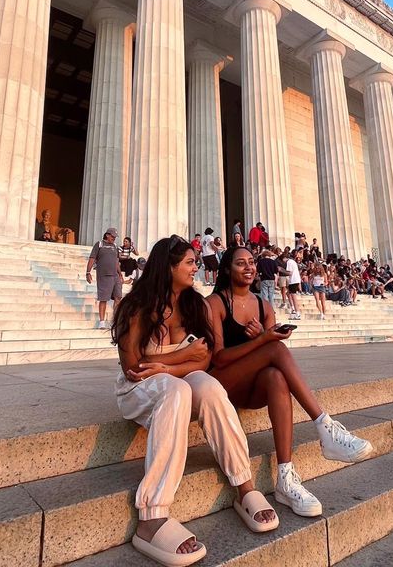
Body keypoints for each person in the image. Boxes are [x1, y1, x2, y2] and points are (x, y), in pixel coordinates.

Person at [112, 236, 279, 565]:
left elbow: (202, 361)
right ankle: (152, 514)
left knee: (209, 386)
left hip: (171, 379)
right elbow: (134, 369)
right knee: (178, 389)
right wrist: (180, 359)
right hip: (137, 392)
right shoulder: (134, 307)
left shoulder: (192, 304)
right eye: (189, 262)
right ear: (169, 266)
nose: (196, 267)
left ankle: (243, 486)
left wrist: (166, 364)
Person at [206, 246, 373, 518]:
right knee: (276, 349)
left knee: (275, 376)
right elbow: (219, 358)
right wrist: (263, 340)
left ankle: (286, 477)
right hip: (221, 386)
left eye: (251, 262)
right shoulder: (215, 303)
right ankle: (325, 426)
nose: (249, 268)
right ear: (227, 269)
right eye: (240, 264)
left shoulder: (264, 305)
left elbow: (267, 353)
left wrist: (263, 337)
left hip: (253, 389)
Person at [86, 228, 124, 329]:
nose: (114, 238)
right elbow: (92, 258)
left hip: (115, 275)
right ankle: (102, 322)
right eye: (112, 236)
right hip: (104, 276)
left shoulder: (115, 246)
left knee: (118, 297)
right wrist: (88, 272)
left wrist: (120, 274)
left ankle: (115, 321)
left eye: (115, 237)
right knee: (104, 299)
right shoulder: (99, 244)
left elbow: (116, 261)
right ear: (107, 235)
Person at [285, 248, 302, 320]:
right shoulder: (293, 262)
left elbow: (289, 272)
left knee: (293, 296)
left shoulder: (289, 262)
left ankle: (297, 313)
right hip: (296, 280)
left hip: (293, 280)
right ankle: (293, 309)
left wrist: (281, 271)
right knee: (288, 293)